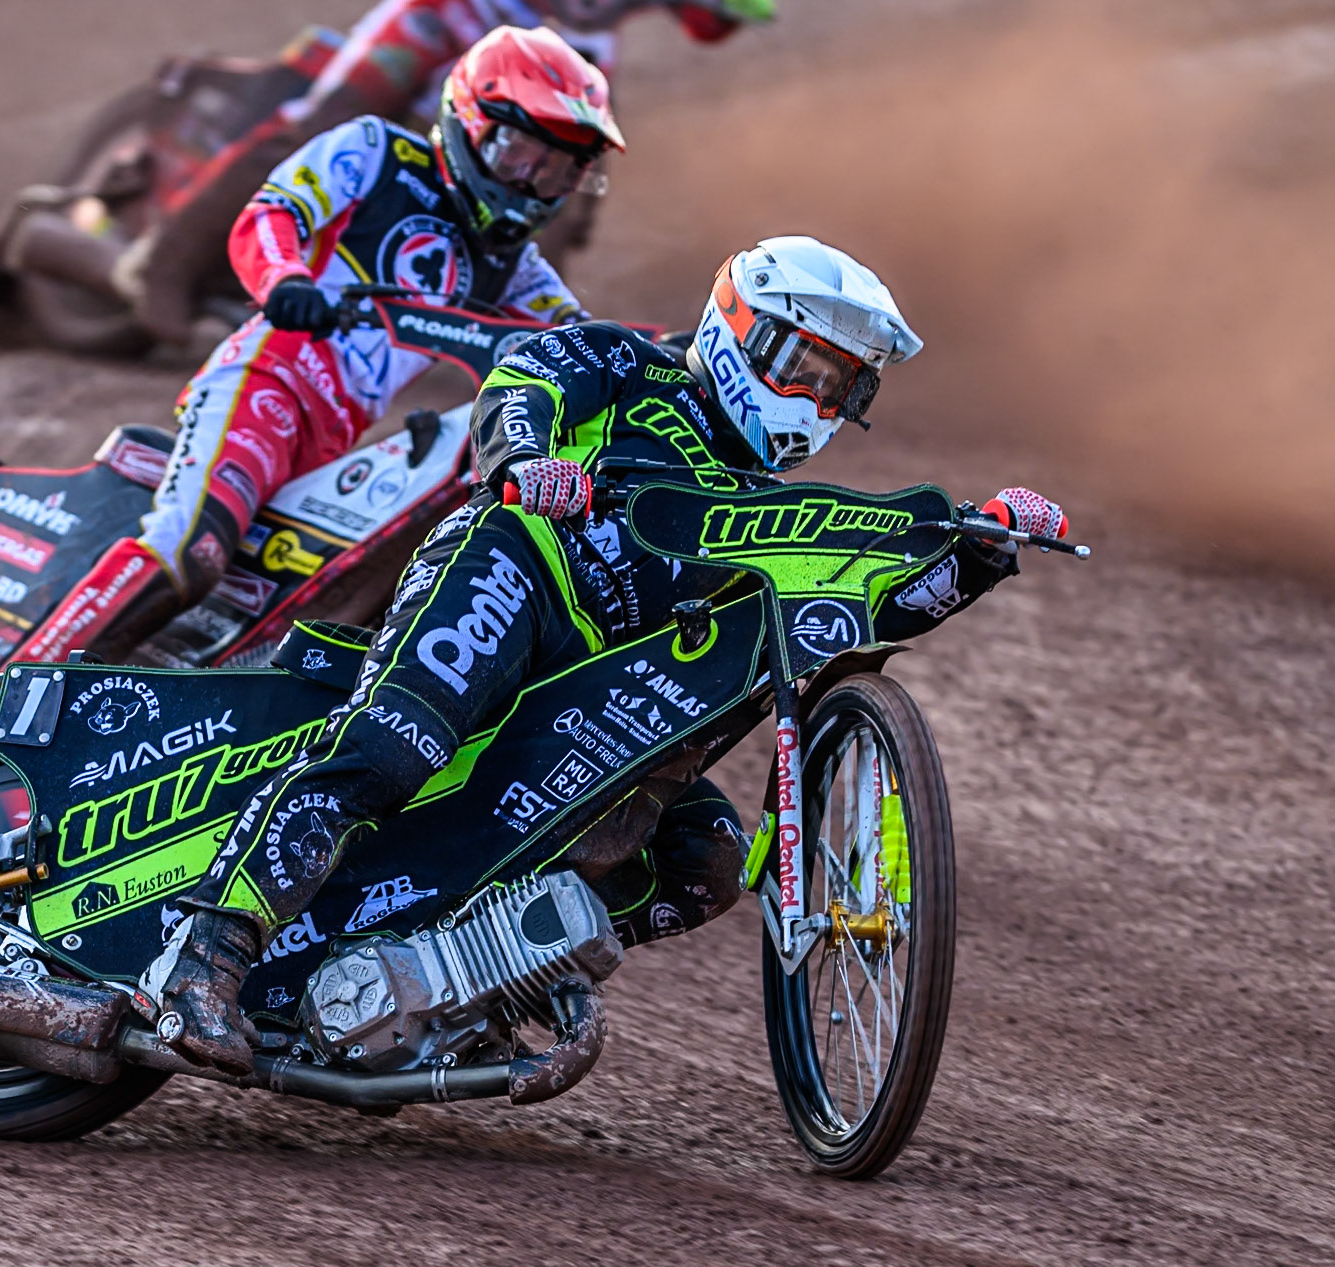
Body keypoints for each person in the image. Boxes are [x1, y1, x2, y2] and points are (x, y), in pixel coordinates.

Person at [143, 234, 1071, 1073]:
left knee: (705, 856)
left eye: (840, 387)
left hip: (596, 703)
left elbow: (874, 610)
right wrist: (525, 462)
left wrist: (978, 555)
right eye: (800, 366)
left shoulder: (775, 512)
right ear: (735, 326)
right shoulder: (624, 359)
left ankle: (477, 968)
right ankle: (203, 962)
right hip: (519, 568)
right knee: (394, 744)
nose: (814, 400)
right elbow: (521, 385)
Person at [14, 25, 627, 663]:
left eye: (559, 171)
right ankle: (3, 700)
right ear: (469, 121)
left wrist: (671, 360)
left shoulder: (517, 267)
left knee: (282, 608)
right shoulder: (376, 151)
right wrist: (287, 280)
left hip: (334, 435)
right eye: (519, 154)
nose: (531, 182)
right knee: (191, 550)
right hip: (268, 383)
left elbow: (581, 343)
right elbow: (272, 215)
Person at [0, 0, 772, 345]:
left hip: (559, 46)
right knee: (326, 129)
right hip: (450, 12)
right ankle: (156, 271)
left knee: (562, 187)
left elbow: (720, 21)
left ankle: (480, 322)